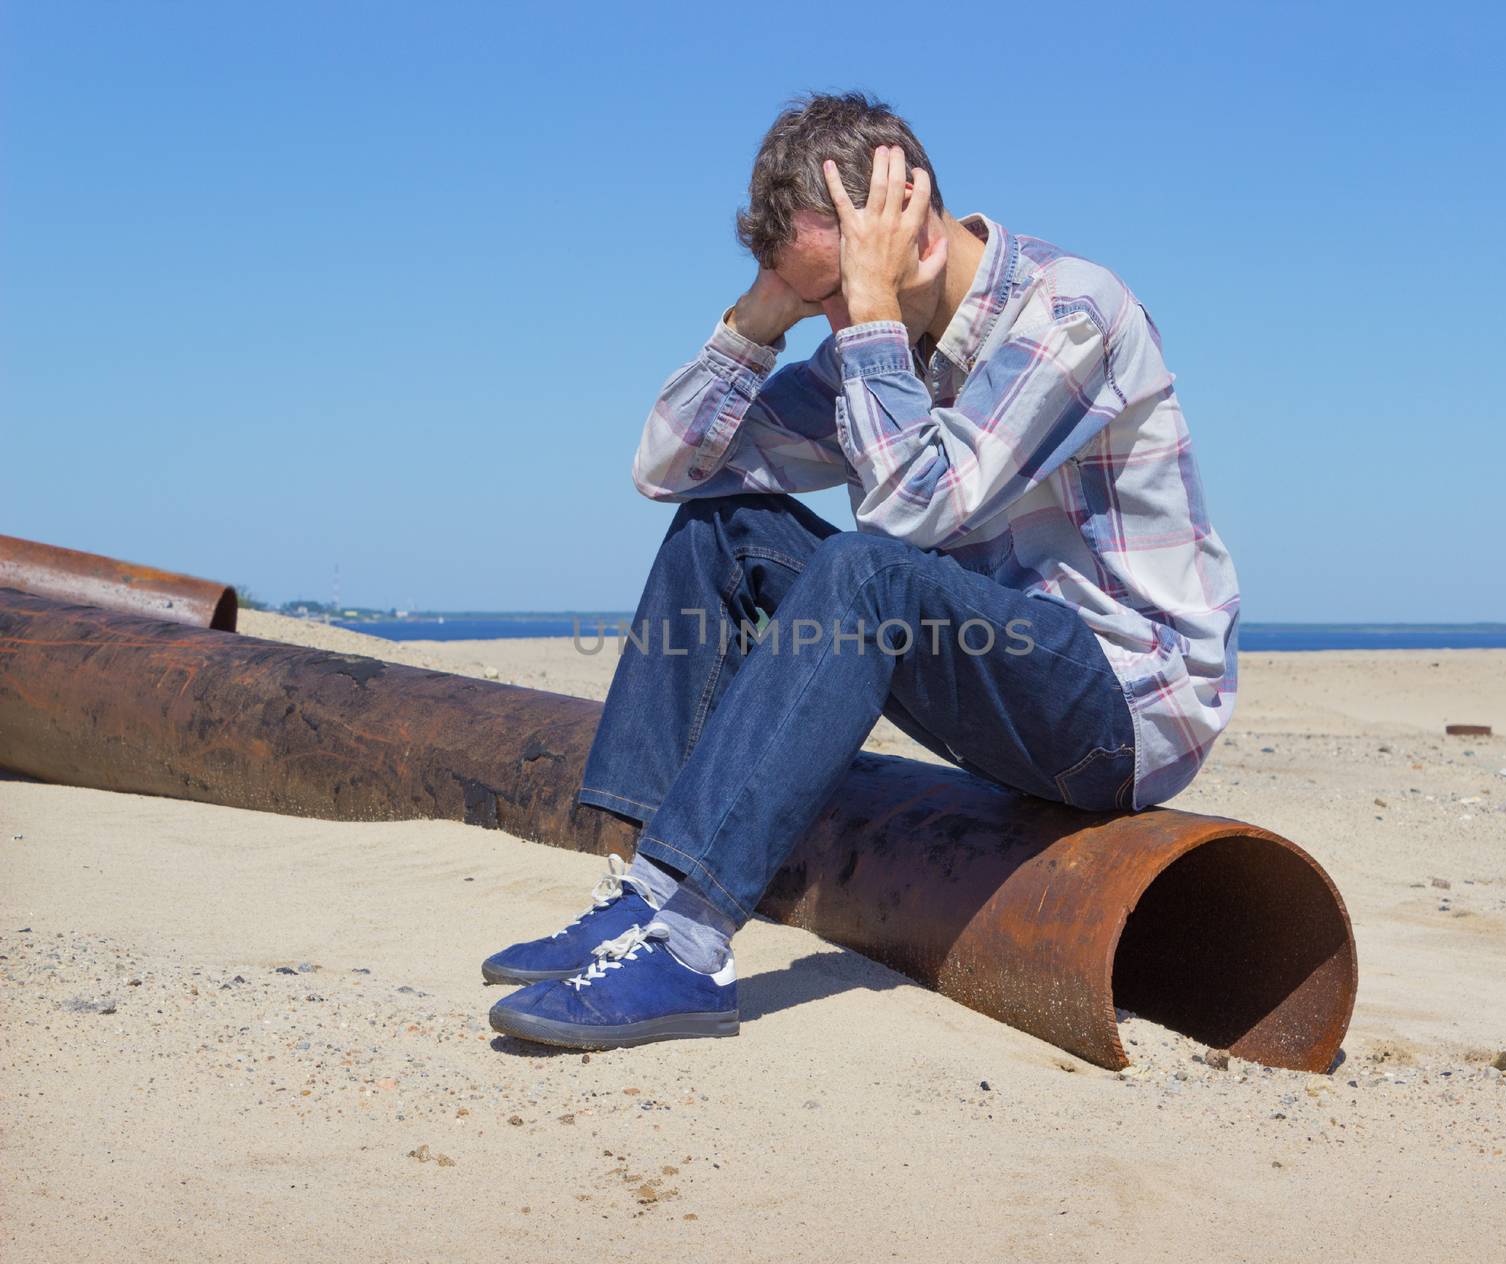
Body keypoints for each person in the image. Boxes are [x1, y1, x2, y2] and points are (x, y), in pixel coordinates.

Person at [484, 91, 1239, 1050]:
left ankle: (685, 947)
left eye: (834, 291)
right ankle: (641, 897)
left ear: (907, 227)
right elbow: (669, 470)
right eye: (817, 299)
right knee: (725, 525)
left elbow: (913, 509)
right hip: (996, 676)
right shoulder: (869, 347)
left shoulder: (1070, 311)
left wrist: (869, 312)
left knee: (867, 568)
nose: (830, 319)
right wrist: (760, 319)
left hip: (1124, 708)